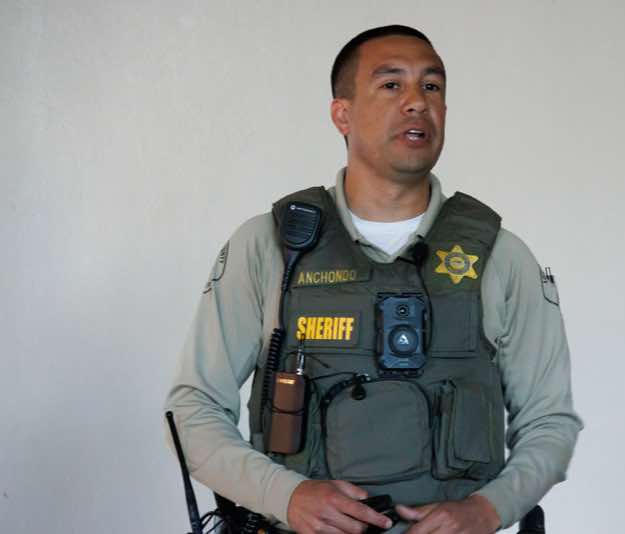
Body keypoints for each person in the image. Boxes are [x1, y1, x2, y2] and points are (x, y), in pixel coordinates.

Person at [166, 25, 582, 534]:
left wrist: (489, 508)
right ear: (342, 114)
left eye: (432, 86)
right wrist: (286, 496)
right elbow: (193, 407)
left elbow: (550, 420)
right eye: (391, 85)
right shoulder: (270, 246)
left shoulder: (499, 254)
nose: (417, 102)